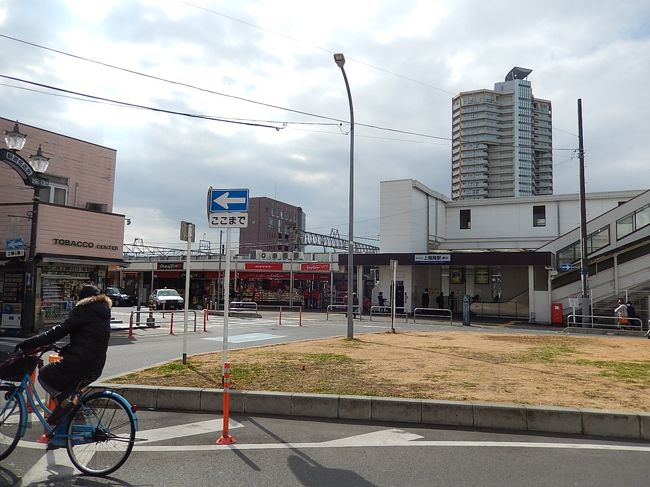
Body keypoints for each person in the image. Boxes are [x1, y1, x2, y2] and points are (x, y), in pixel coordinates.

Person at [15, 284, 111, 426]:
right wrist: (68, 349)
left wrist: (28, 343)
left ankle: (66, 406)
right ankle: (73, 425)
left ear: (82, 298)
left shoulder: (83, 310)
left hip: (80, 364)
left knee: (45, 375)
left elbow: (56, 332)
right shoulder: (102, 313)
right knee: (70, 392)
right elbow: (90, 340)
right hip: (95, 366)